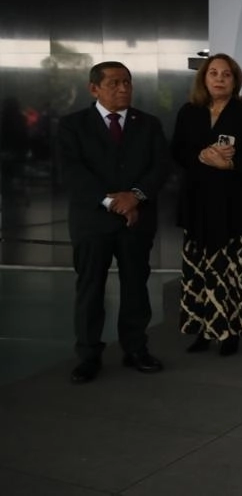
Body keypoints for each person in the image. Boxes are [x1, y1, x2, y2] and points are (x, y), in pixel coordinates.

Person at [57, 61, 170, 384]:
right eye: (115, 83)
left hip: (137, 221)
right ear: (94, 88)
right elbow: (72, 173)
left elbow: (160, 167)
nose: (123, 89)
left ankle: (136, 349)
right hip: (92, 223)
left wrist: (135, 196)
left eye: (128, 82)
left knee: (136, 286)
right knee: (90, 289)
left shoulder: (147, 124)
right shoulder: (72, 125)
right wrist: (113, 202)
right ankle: (89, 354)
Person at [171, 53, 242, 356]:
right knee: (199, 271)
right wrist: (200, 156)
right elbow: (177, 151)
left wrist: (229, 166)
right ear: (203, 79)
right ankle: (202, 331)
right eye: (213, 73)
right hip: (196, 202)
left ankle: (231, 331)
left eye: (226, 74)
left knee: (230, 271)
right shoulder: (188, 112)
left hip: (233, 204)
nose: (219, 79)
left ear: (235, 80)